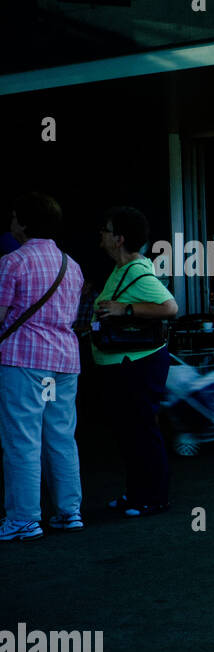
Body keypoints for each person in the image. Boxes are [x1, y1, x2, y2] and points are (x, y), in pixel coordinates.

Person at [0, 193, 86, 541]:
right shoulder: (72, 265)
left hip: (24, 361)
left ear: (22, 223)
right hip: (64, 363)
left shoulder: (12, 262)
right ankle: (69, 512)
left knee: (22, 440)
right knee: (61, 437)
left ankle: (23, 519)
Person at [93, 207, 179, 518]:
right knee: (131, 432)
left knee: (142, 430)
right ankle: (137, 494)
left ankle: (153, 497)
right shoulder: (123, 269)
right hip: (126, 364)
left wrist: (124, 310)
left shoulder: (137, 271)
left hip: (138, 364)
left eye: (105, 229)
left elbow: (170, 307)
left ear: (119, 238)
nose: (100, 235)